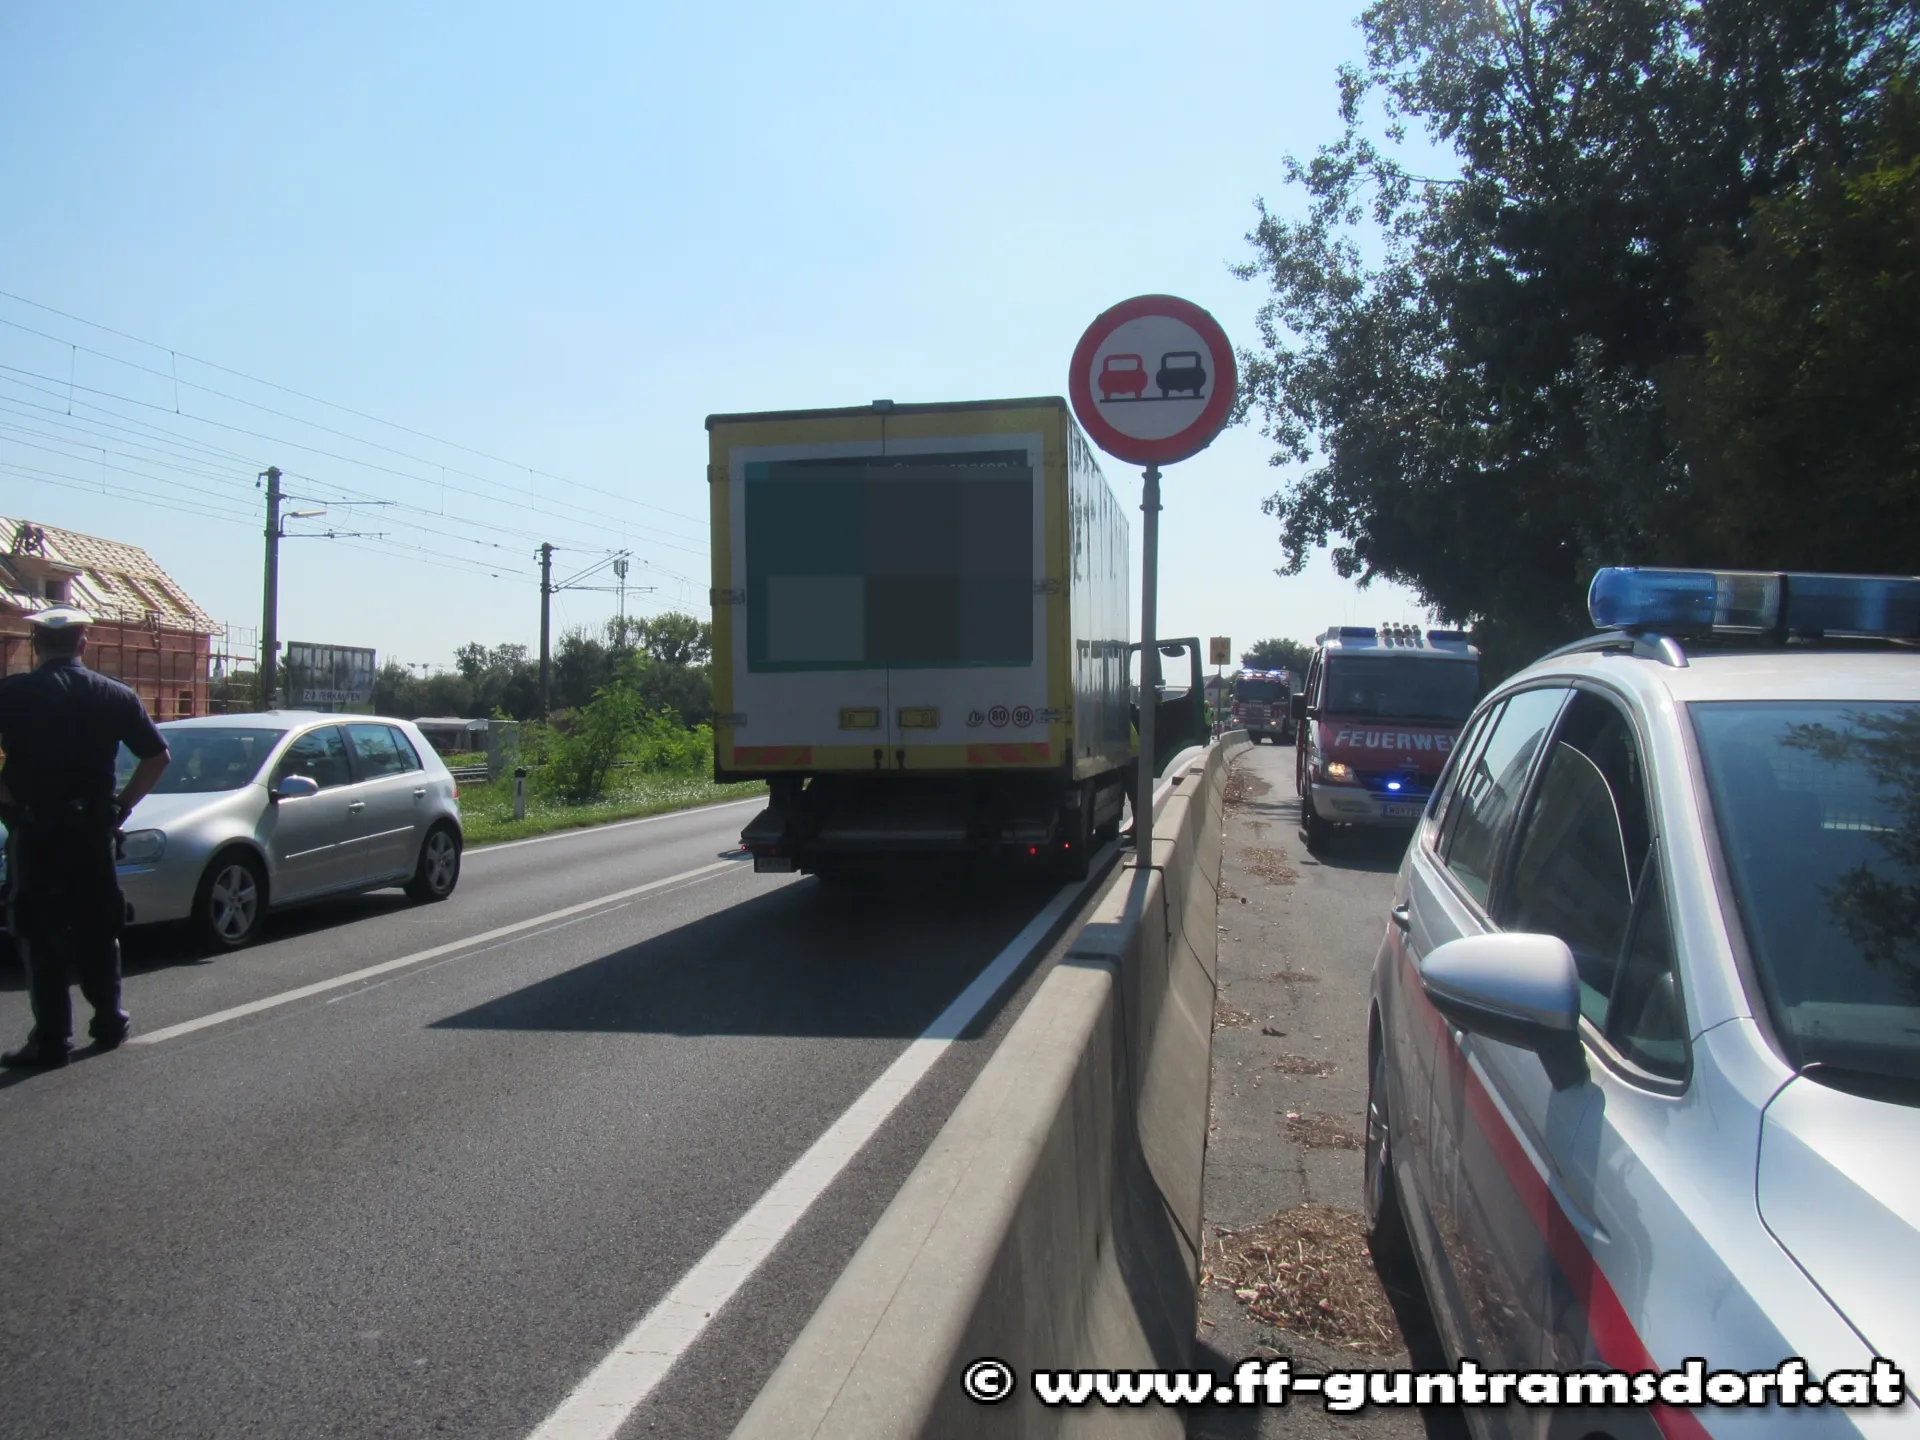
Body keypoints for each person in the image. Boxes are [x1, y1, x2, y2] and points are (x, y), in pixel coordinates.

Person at [0, 606, 170, 1069]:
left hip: (35, 830)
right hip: (93, 833)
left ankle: (52, 1039)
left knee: (40, 931)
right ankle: (109, 1021)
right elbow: (157, 758)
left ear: (36, 645)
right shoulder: (114, 694)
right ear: (83, 644)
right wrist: (120, 807)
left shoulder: (13, 693)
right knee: (99, 926)